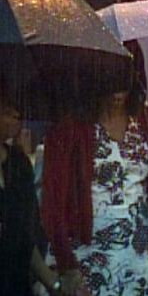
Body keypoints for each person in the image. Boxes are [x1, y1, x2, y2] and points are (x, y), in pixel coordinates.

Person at [40, 70, 148, 295]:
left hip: (142, 255)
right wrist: (67, 268)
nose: (118, 92)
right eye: (110, 80)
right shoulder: (68, 129)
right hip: (87, 258)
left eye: (125, 81)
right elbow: (52, 207)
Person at [0, 97, 60, 295]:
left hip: (15, 282)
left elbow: (25, 237)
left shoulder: (18, 163)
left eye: (16, 113)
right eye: (7, 111)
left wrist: (55, 284)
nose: (16, 118)